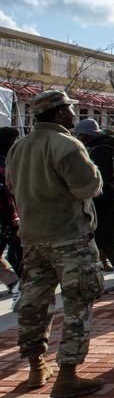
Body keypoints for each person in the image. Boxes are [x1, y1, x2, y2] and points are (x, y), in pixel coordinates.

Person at [6, 90, 105, 395]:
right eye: (70, 109)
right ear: (60, 113)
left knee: (33, 305)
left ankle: (36, 368)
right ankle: (67, 376)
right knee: (77, 304)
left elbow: (11, 185)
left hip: (33, 239)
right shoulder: (67, 144)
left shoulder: (18, 147)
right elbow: (88, 187)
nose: (75, 114)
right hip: (69, 238)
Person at [71, 118, 114, 295]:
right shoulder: (107, 146)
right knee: (105, 242)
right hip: (112, 200)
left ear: (86, 135)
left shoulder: (97, 151)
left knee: (102, 242)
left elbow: (97, 180)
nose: (77, 137)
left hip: (102, 201)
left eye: (79, 134)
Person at [0, 127, 23, 296]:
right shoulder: (3, 161)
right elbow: (5, 192)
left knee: (16, 250)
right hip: (7, 215)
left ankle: (16, 284)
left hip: (7, 215)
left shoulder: (6, 160)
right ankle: (16, 284)